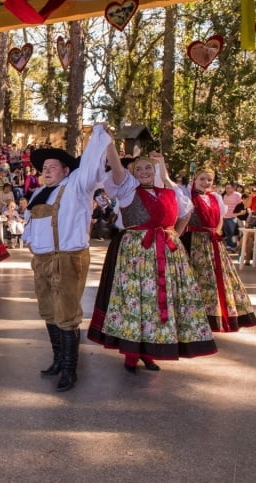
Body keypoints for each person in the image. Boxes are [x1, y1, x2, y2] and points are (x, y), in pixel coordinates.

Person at [87, 151, 217, 373]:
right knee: (135, 300)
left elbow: (186, 214)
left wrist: (173, 235)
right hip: (137, 253)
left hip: (166, 250)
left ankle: (148, 352)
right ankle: (131, 353)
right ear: (133, 173)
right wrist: (109, 147)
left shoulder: (170, 192)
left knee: (156, 302)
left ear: (155, 170)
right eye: (139, 169)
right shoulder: (128, 190)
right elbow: (117, 171)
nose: (144, 172)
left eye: (149, 168)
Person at [21, 124, 111, 392]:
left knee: (67, 313)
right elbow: (29, 223)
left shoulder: (77, 186)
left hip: (67, 258)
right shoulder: (39, 193)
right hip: (42, 260)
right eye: (44, 167)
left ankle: (70, 371)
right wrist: (30, 243)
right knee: (49, 311)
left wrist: (97, 136)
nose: (46, 170)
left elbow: (93, 167)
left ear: (66, 170)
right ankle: (58, 360)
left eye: (52, 166)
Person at [181, 169, 256, 332]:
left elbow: (220, 219)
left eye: (209, 180)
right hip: (193, 241)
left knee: (217, 279)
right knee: (196, 278)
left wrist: (216, 232)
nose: (205, 182)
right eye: (202, 179)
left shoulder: (215, 197)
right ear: (194, 179)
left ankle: (215, 316)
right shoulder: (187, 195)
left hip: (212, 241)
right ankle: (192, 316)